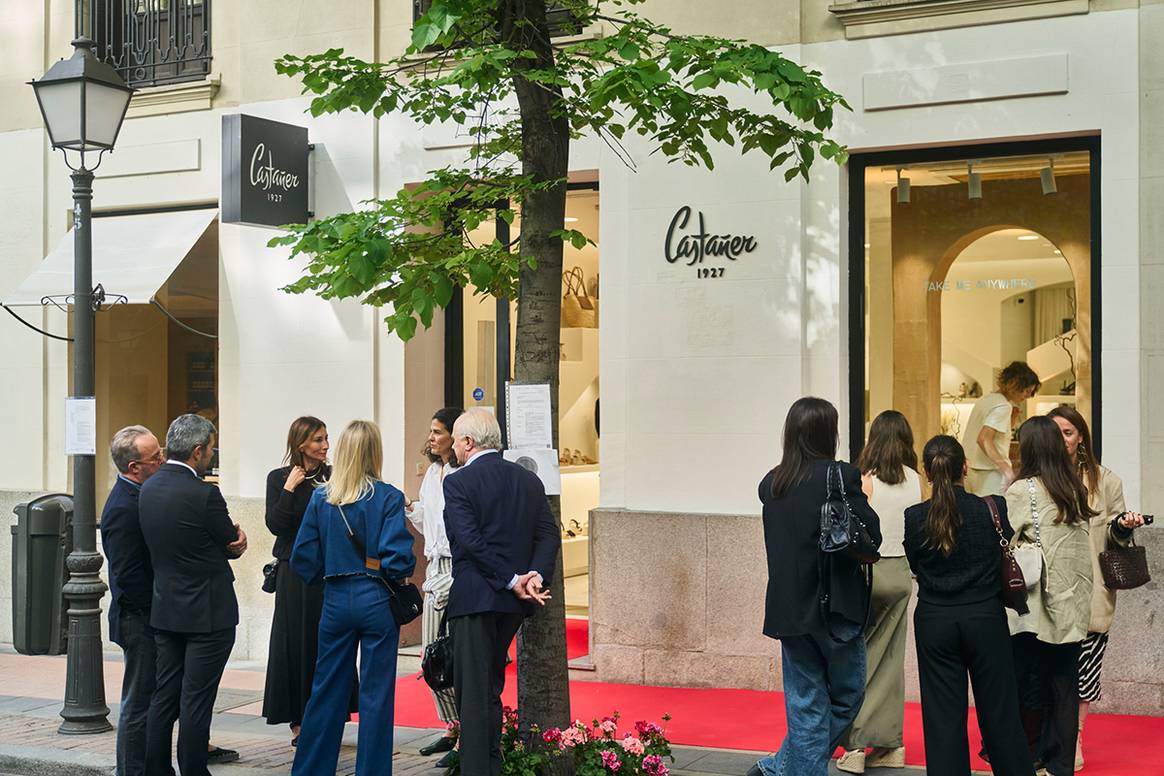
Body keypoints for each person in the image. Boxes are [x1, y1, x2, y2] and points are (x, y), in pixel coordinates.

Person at [749, 397, 881, 776]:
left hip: (790, 611)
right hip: (835, 608)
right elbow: (872, 536)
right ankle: (782, 767)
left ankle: (780, 766)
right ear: (829, 433)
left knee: (807, 705)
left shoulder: (773, 483)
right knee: (847, 697)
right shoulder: (839, 476)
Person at [1005, 417, 1140, 776]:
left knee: (1031, 683)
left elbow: (1006, 538)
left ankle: (1032, 756)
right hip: (1075, 602)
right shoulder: (1075, 489)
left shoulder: (1022, 491)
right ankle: (1062, 761)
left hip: (1034, 605)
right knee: (1065, 685)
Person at [289, 420, 416, 776]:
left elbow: (303, 557)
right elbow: (397, 558)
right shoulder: (388, 496)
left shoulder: (321, 497)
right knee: (376, 696)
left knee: (326, 690)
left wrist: (329, 573)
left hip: (335, 598)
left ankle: (311, 770)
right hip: (376, 598)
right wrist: (382, 566)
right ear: (374, 452)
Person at [903, 435, 1035, 776]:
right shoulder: (991, 508)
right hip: (984, 616)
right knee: (1001, 712)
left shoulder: (915, 516)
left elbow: (916, 565)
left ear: (926, 473)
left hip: (935, 618)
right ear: (965, 467)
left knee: (943, 718)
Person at [442, 408, 560, 776]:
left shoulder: (458, 482)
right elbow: (549, 534)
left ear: (468, 442)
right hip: (511, 604)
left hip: (477, 599)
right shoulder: (527, 480)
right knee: (489, 688)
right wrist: (533, 578)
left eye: (457, 441)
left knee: (473, 696)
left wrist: (513, 579)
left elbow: (470, 542)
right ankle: (491, 765)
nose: (455, 449)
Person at [139, 415, 247, 776]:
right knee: (196, 701)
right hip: (208, 613)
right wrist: (238, 543)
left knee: (164, 696)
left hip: (166, 608)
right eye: (211, 450)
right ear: (198, 450)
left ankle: (155, 769)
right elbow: (228, 540)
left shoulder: (148, 488)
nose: (211, 456)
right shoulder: (204, 493)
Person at [1045, 406, 1144, 771]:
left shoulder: (1106, 481)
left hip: (1091, 592)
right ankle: (1046, 737)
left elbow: (1115, 539)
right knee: (1046, 671)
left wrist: (1124, 526)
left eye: (1068, 432)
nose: (1062, 440)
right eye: (1055, 433)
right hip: (1048, 592)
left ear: (1081, 437)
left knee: (1084, 673)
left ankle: (1075, 737)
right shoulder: (1037, 479)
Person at [262, 416, 356, 746]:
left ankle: (332, 714)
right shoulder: (279, 478)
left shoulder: (334, 477)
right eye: (318, 440)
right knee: (297, 643)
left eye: (326, 438)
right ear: (301, 444)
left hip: (332, 569)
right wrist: (290, 487)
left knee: (329, 643)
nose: (326, 445)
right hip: (295, 574)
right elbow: (275, 523)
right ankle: (299, 722)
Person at [838, 410, 921, 774]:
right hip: (903, 573)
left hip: (870, 572)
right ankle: (892, 744)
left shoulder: (865, 480)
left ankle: (855, 747)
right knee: (890, 661)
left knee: (861, 657)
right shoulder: (918, 480)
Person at [405, 407, 464, 764]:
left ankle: (462, 731)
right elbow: (429, 524)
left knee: (450, 653)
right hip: (436, 566)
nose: (431, 438)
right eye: (431, 431)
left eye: (438, 431)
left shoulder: (463, 472)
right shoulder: (433, 472)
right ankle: (452, 725)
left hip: (457, 567)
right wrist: (410, 508)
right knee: (432, 653)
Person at [962, 362, 1041, 496]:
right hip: (989, 474)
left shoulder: (986, 399)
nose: (1027, 396)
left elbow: (994, 437)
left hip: (970, 471)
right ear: (1015, 384)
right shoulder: (1003, 406)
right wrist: (1006, 469)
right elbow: (984, 439)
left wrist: (1011, 420)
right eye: (1027, 391)